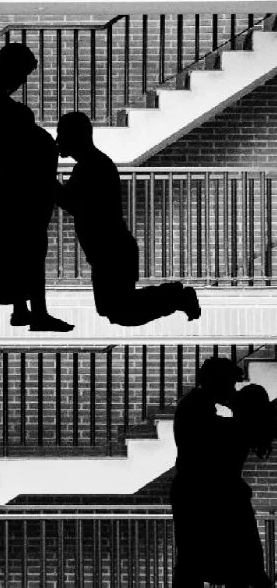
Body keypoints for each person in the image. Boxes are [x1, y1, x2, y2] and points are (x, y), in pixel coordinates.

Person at [55, 111, 201, 326]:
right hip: (109, 251)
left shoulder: (92, 166)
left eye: (61, 135)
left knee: (118, 311)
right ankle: (176, 295)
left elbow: (72, 203)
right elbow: (71, 201)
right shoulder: (89, 165)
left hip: (111, 251)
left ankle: (178, 296)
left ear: (76, 136)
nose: (58, 141)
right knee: (113, 309)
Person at [0, 43, 73, 333]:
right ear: (10, 70)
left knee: (22, 248)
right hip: (17, 187)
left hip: (19, 183)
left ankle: (23, 310)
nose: (23, 80)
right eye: (23, 73)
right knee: (26, 247)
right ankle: (35, 312)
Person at [171, 357, 274, 588]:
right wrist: (243, 410)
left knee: (192, 563)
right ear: (218, 382)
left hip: (197, 496)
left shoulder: (194, 407)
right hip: (216, 498)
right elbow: (223, 438)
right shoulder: (205, 413)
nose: (232, 390)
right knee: (241, 564)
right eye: (229, 384)